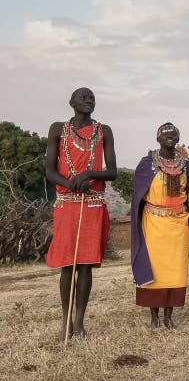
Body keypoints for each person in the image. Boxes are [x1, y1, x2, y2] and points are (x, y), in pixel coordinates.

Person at [45, 87, 117, 340]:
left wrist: (88, 175)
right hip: (67, 202)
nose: (89, 101)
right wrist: (70, 183)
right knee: (68, 264)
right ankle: (64, 322)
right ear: (71, 102)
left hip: (92, 203)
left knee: (85, 264)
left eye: (92, 98)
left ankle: (79, 323)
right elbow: (49, 170)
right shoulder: (57, 129)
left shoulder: (103, 131)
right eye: (84, 97)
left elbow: (112, 171)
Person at [130, 123, 189, 329]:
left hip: (178, 224)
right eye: (165, 133)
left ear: (178, 137)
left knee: (175, 270)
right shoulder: (146, 164)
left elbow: (187, 190)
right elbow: (138, 195)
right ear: (157, 138)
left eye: (174, 133)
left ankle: (169, 317)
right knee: (155, 271)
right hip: (153, 222)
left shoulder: (186, 164)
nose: (170, 136)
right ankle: (154, 318)